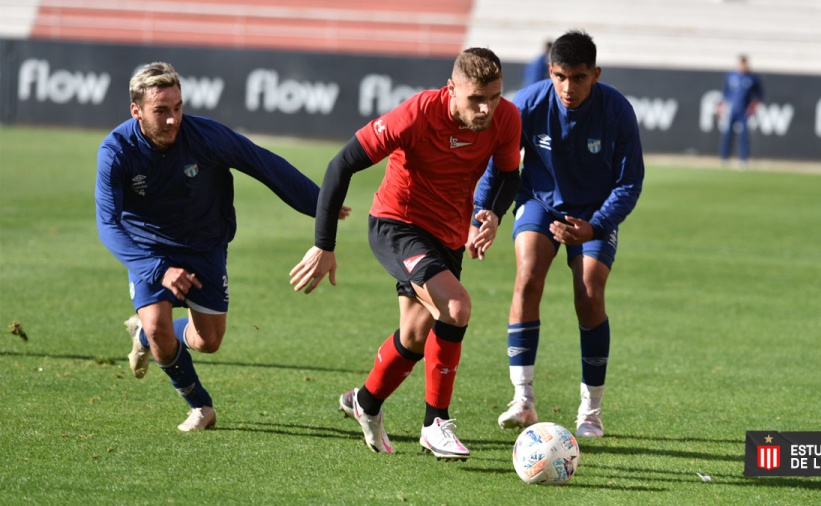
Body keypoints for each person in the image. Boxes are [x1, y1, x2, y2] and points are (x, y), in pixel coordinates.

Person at [289, 48, 522, 460]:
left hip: (448, 236)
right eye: (476, 99)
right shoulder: (416, 113)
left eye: (495, 96)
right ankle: (436, 423)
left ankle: (366, 401)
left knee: (416, 336)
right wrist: (324, 244)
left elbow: (508, 173)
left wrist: (494, 214)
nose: (487, 108)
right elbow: (341, 164)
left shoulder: (505, 117)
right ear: (451, 89)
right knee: (456, 305)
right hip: (398, 224)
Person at [96, 61, 347, 431]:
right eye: (160, 111)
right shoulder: (116, 151)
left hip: (205, 246)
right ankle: (200, 405)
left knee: (208, 341)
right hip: (150, 251)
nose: (172, 119)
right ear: (136, 111)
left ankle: (142, 336)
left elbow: (263, 164)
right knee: (160, 328)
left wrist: (319, 203)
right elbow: (108, 225)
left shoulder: (206, 136)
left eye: (178, 107)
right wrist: (158, 269)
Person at [473, 30, 644, 438]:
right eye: (560, 76)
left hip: (594, 212)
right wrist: (484, 212)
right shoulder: (527, 104)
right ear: (550, 71)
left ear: (595, 74)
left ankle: (590, 412)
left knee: (589, 292)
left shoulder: (617, 111)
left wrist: (596, 225)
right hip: (540, 203)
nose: (569, 88)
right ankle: (524, 400)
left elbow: (629, 183)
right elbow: (498, 163)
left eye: (579, 78)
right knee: (527, 276)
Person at [717, 54, 764, 166]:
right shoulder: (731, 76)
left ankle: (743, 159)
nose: (742, 66)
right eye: (741, 63)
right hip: (731, 109)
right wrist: (721, 106)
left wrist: (753, 107)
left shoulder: (752, 78)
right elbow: (725, 93)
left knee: (743, 135)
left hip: (744, 111)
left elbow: (758, 95)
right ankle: (725, 158)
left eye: (744, 63)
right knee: (727, 134)